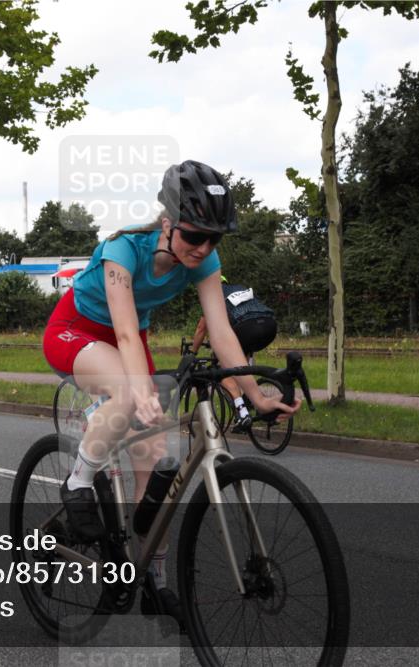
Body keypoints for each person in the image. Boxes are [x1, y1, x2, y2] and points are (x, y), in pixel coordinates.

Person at [42, 160, 299, 622]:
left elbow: (221, 334)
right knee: (127, 392)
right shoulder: (122, 250)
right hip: (76, 330)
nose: (203, 248)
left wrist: (255, 395)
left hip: (127, 340)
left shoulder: (205, 261)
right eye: (194, 235)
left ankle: (153, 583)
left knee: (157, 457)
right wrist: (138, 391)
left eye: (213, 239)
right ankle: (78, 481)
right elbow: (121, 333)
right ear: (168, 223)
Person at [191, 277, 277, 431]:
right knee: (242, 365)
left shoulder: (213, 295)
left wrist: (192, 352)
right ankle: (259, 404)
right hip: (269, 324)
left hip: (247, 328)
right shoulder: (238, 287)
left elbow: (201, 328)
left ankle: (242, 412)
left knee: (220, 370)